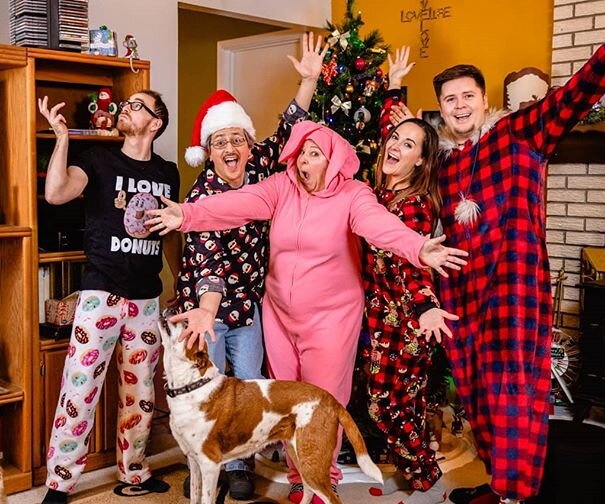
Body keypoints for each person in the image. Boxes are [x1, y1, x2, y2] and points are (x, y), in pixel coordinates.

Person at [381, 2, 605, 503]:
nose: (459, 105)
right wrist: (394, 87)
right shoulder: (443, 166)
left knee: (517, 395)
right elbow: (399, 141)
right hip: (462, 299)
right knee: (478, 397)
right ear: (442, 106)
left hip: (515, 291)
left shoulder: (521, 135)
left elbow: (574, 96)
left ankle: (516, 494)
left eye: (467, 95)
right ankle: (500, 488)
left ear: (483, 100)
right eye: (449, 98)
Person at [145, 120, 468, 503]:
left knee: (321, 406)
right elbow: (238, 203)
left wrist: (416, 247)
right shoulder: (282, 187)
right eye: (300, 154)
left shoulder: (354, 194)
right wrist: (187, 214)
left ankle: (322, 483)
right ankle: (302, 479)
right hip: (280, 315)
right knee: (287, 409)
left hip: (331, 320)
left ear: (332, 160)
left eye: (314, 155)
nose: (303, 163)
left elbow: (377, 224)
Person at [177, 32, 326, 500]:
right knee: (206, 391)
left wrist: (308, 82)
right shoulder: (200, 196)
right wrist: (207, 311)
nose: (230, 147)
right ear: (209, 150)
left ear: (248, 143)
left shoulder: (262, 165)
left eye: (237, 139)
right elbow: (208, 265)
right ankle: (203, 468)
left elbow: (289, 127)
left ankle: (240, 463)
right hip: (205, 309)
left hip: (250, 305)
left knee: (246, 389)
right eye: (219, 141)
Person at [38, 90, 181, 504]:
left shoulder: (167, 172)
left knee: (141, 396)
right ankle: (59, 484)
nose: (125, 109)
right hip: (101, 294)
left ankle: (134, 472)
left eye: (137, 105)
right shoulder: (98, 161)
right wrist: (62, 138)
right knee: (79, 390)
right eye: (127, 103)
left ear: (155, 123)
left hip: (146, 299)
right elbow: (56, 194)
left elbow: (170, 233)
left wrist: (180, 285)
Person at [359, 48, 457, 504]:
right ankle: (422, 469)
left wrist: (425, 307)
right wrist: (394, 87)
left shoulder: (413, 204)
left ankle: (424, 473)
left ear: (421, 161)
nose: (395, 146)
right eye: (394, 141)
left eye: (408, 146)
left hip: (407, 323)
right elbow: (390, 132)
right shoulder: (382, 188)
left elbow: (412, 260)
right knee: (404, 404)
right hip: (379, 318)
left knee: (385, 407)